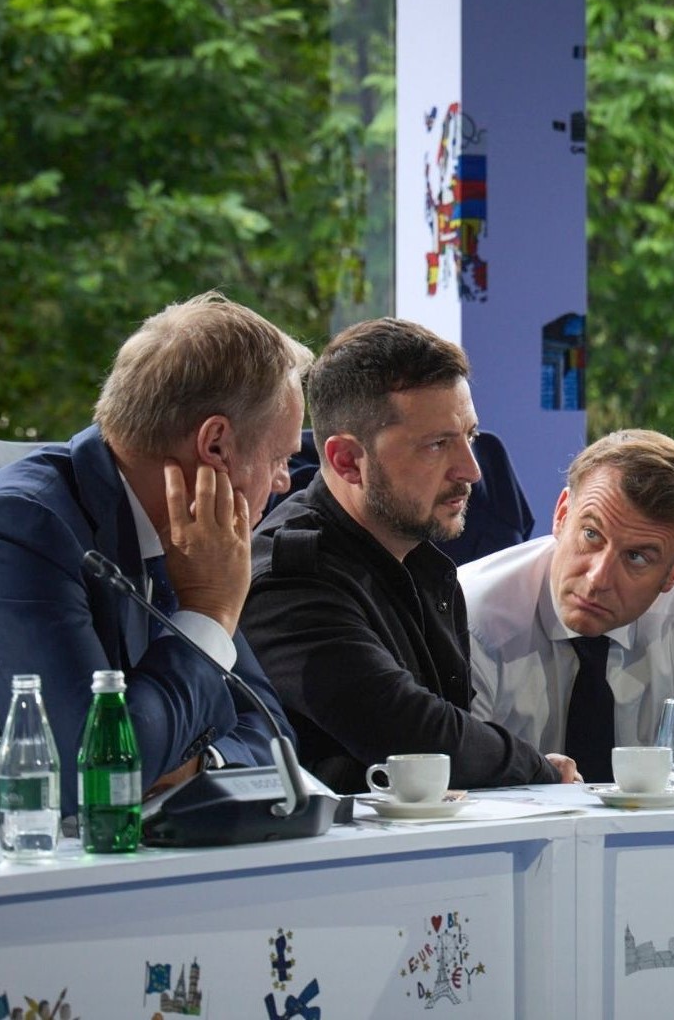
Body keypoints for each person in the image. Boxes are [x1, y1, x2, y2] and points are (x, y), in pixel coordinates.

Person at [0, 293, 307, 830]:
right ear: (217, 445)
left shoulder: (186, 537)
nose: (283, 481)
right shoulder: (8, 530)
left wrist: (201, 764)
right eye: (278, 456)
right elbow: (92, 778)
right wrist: (208, 612)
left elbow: (272, 735)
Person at [242, 318, 575, 792]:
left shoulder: (421, 559)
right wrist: (537, 768)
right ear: (345, 461)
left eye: (470, 437)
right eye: (437, 445)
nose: (472, 471)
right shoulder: (289, 579)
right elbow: (413, 736)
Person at [462, 430, 674, 783]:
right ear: (563, 515)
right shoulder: (471, 611)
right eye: (591, 535)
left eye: (637, 557)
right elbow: (459, 787)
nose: (598, 579)